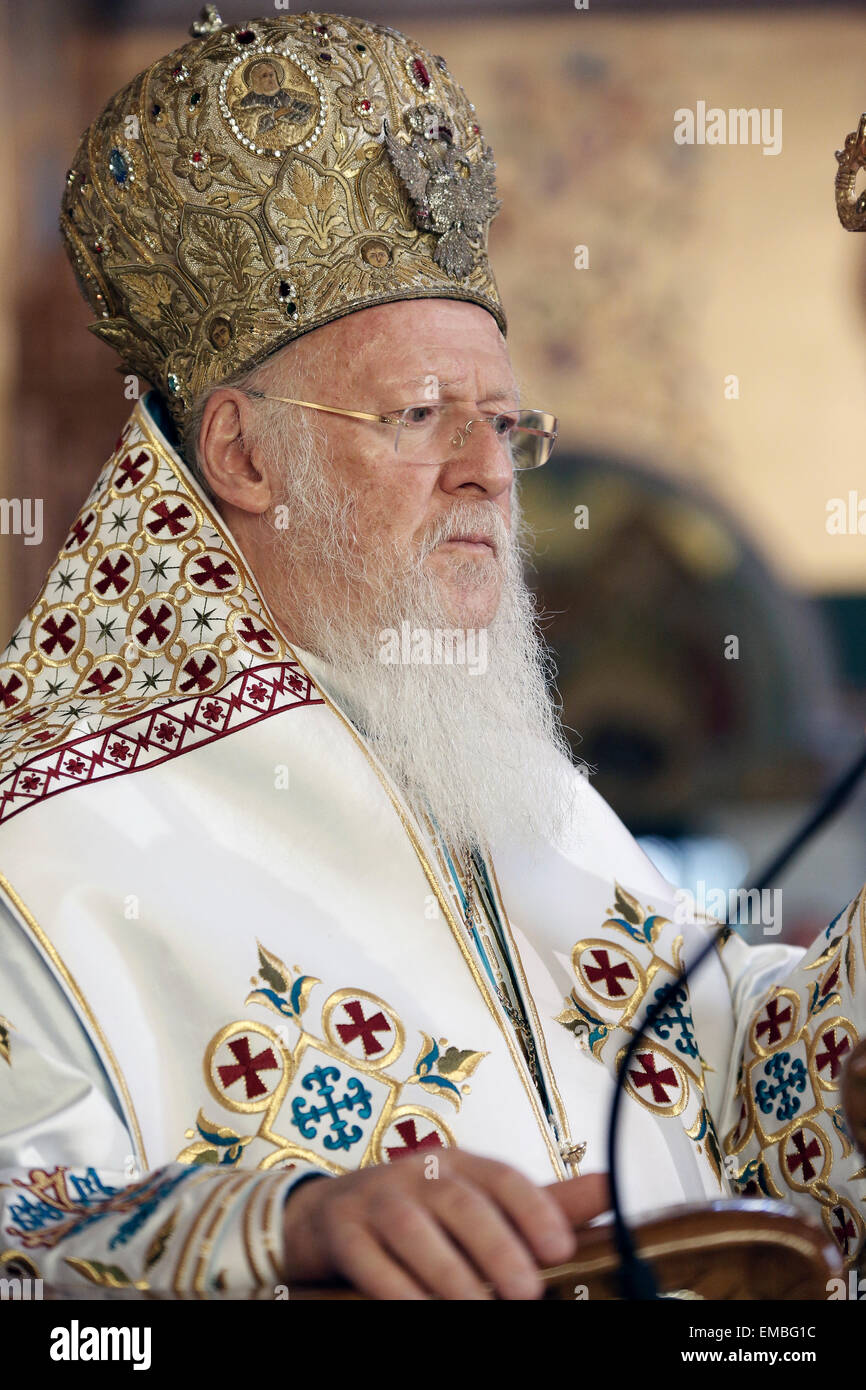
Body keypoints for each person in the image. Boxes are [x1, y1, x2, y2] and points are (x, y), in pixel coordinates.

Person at [0, 8, 863, 1301]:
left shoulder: (510, 784)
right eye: (417, 416)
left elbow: (723, 1087)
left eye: (503, 423)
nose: (484, 473)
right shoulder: (44, 838)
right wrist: (276, 1223)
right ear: (239, 455)